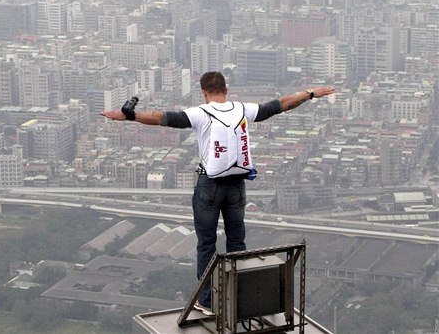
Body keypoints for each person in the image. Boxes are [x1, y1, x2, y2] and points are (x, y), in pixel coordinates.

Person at [101, 72, 335, 315]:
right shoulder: (242, 109)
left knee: (207, 245)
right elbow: (279, 105)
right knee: (237, 242)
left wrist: (131, 116)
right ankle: (236, 296)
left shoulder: (200, 113)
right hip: (236, 185)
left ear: (204, 92)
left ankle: (208, 301)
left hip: (210, 186)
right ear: (226, 89)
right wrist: (310, 94)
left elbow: (161, 118)